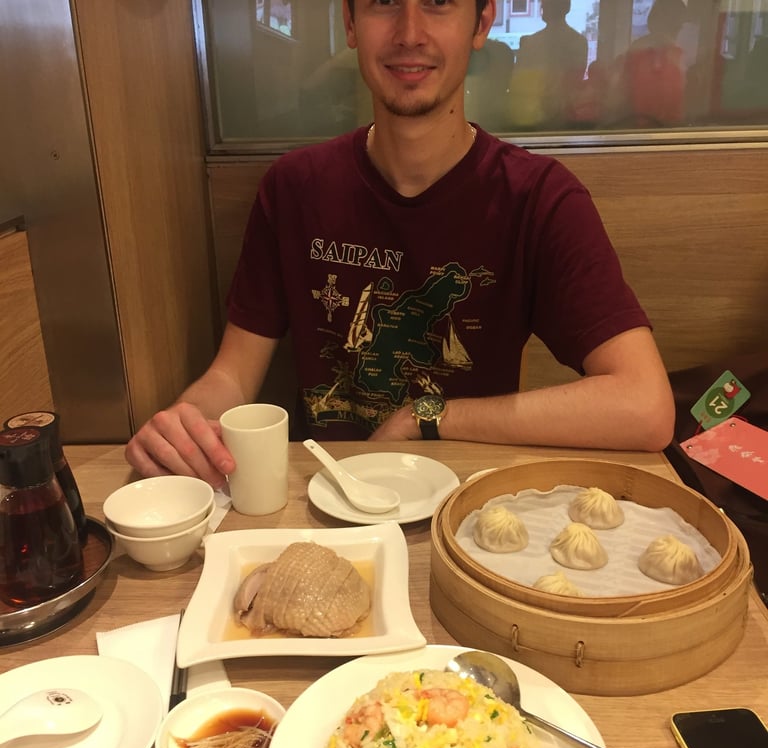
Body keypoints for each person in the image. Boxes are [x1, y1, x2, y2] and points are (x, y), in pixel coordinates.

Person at [126, 0, 674, 489]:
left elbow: (645, 406)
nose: (410, 33)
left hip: (467, 508)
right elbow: (232, 375)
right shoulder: (294, 188)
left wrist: (425, 417)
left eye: (438, 2)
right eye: (384, 1)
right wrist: (186, 425)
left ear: (481, 21)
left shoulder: (539, 199)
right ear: (350, 22)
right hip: (326, 499)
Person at [513, 0, 588, 127]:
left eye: (545, 4)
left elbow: (520, 80)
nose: (542, 8)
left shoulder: (531, 43)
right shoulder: (579, 41)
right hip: (559, 115)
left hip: (541, 114)